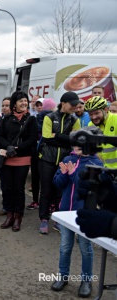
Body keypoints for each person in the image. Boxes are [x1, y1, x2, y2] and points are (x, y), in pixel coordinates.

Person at [50, 146, 97, 297]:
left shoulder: (95, 163)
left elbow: (87, 188)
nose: (77, 146)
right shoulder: (67, 159)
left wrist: (72, 173)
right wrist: (64, 174)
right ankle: (63, 276)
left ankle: (86, 280)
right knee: (65, 246)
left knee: (85, 246)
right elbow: (57, 182)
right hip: (65, 212)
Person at [38, 92, 80, 234]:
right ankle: (44, 219)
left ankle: (58, 219)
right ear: (63, 103)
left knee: (60, 191)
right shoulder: (49, 117)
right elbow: (46, 138)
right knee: (46, 190)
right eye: (72, 104)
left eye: (76, 104)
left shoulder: (75, 120)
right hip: (47, 159)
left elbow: (75, 140)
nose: (75, 107)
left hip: (65, 159)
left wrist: (58, 136)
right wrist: (66, 138)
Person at [0, 91, 38, 232]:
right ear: (14, 104)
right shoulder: (5, 119)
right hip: (7, 159)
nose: (24, 103)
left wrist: (17, 148)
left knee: (18, 189)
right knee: (7, 188)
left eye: (25, 101)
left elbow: (32, 139)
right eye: (21, 101)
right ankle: (9, 214)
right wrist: (8, 147)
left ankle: (18, 217)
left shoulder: (31, 120)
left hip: (22, 159)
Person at [84, 96, 117, 169]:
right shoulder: (90, 125)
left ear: (105, 110)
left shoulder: (115, 119)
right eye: (91, 114)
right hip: (102, 168)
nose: (94, 117)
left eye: (96, 113)